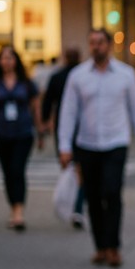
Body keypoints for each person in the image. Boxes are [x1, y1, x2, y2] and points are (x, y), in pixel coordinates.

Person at [57, 30, 135, 268]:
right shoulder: (78, 76)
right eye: (92, 43)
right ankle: (100, 246)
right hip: (87, 145)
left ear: (109, 45)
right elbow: (68, 112)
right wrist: (65, 146)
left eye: (99, 42)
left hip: (115, 143)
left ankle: (113, 247)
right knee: (93, 197)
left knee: (112, 193)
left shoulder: (125, 74)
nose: (95, 47)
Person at [0, 45, 45, 230]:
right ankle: (12, 206)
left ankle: (19, 210)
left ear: (16, 61)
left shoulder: (26, 83)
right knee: (8, 173)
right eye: (3, 58)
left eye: (10, 58)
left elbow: (36, 108)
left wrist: (40, 131)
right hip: (2, 133)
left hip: (23, 132)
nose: (6, 62)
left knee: (17, 170)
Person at [41, 48, 85, 229]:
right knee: (81, 169)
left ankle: (70, 202)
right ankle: (77, 206)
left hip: (63, 126)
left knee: (68, 164)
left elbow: (47, 101)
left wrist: (44, 120)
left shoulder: (58, 76)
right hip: (82, 126)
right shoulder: (82, 75)